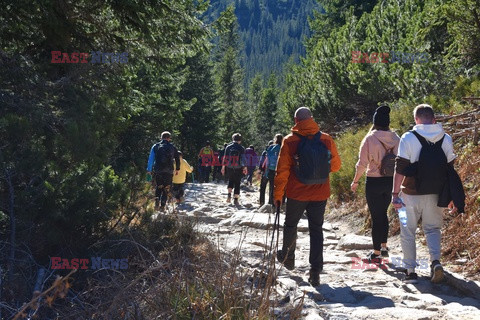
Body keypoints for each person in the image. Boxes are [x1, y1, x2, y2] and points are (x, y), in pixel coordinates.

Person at [274, 107, 341, 287]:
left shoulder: (289, 141)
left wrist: (278, 195)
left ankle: (288, 258)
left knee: (290, 225)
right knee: (316, 229)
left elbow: (282, 172)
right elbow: (336, 166)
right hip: (320, 192)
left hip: (297, 192)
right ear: (312, 118)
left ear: (296, 121)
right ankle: (315, 270)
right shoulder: (326, 139)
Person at [392, 104, 458, 284]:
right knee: (433, 229)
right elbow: (450, 169)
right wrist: (451, 195)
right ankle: (435, 262)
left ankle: (410, 271)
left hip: (409, 196)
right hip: (436, 195)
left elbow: (400, 168)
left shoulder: (408, 137)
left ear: (416, 119)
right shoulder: (446, 138)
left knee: (407, 231)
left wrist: (394, 194)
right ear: (434, 119)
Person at [351, 105, 400, 262]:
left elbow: (362, 164)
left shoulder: (370, 139)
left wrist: (355, 181)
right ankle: (384, 247)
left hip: (373, 181)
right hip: (391, 181)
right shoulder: (397, 138)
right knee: (383, 214)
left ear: (375, 122)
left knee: (376, 216)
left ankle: (376, 252)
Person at [146, 131, 180, 211]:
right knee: (166, 188)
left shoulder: (155, 146)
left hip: (158, 170)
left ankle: (156, 204)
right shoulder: (173, 147)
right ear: (169, 138)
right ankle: (163, 206)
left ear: (161, 137)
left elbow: (151, 159)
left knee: (159, 187)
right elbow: (177, 159)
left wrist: (149, 170)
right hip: (169, 171)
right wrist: (177, 169)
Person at [221, 133, 247, 205]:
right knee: (237, 182)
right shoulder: (241, 148)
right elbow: (243, 159)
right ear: (240, 140)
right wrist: (245, 168)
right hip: (238, 167)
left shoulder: (228, 147)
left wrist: (223, 168)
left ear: (233, 139)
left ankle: (229, 195)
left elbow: (225, 158)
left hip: (229, 167)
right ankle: (236, 199)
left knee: (231, 180)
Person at [265, 134, 283, 205]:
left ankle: (270, 202)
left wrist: (267, 170)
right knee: (280, 186)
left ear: (275, 139)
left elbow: (267, 160)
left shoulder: (270, 147)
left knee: (271, 186)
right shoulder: (282, 147)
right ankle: (279, 202)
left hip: (270, 169)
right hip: (279, 169)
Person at [259, 140, 273, 205]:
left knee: (262, 187)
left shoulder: (265, 152)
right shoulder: (276, 152)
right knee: (272, 188)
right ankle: (270, 202)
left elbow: (261, 161)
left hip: (265, 172)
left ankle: (262, 202)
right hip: (273, 172)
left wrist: (260, 170)